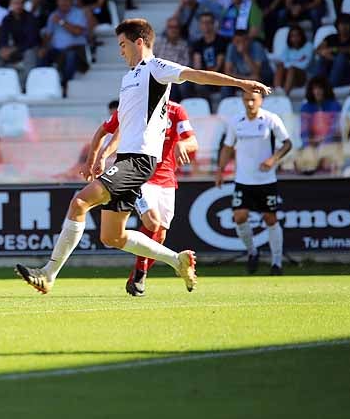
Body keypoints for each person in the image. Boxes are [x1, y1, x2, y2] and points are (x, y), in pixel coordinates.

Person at [15, 18, 271, 295]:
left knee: (80, 202)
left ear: (139, 42)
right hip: (125, 158)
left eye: (123, 45)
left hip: (139, 161)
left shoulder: (156, 68)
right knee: (112, 236)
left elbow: (196, 74)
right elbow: (123, 127)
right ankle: (177, 260)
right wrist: (101, 155)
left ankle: (48, 274)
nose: (120, 51)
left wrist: (240, 83)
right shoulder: (128, 79)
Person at [89, 99, 197, 296]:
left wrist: (183, 143)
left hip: (167, 180)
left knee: (160, 235)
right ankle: (156, 268)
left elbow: (192, 140)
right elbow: (116, 134)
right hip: (141, 175)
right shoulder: (138, 105)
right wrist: (103, 156)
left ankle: (139, 273)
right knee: (152, 222)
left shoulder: (176, 110)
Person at [214, 89, 292, 275]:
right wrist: (220, 171)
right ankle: (252, 252)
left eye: (253, 100)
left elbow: (287, 143)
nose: (249, 103)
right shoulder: (236, 121)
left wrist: (273, 159)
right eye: (246, 100)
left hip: (266, 180)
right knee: (239, 217)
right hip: (243, 180)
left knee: (270, 218)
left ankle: (276, 263)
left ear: (261, 101)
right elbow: (227, 147)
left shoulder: (271, 119)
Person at [40, 0, 87, 95]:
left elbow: (77, 32)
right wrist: (43, 47)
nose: (63, 3)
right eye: (60, 0)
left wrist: (61, 22)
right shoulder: (53, 15)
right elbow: (48, 35)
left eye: (66, 0)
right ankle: (41, 84)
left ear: (71, 1)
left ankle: (65, 84)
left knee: (70, 55)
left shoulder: (78, 13)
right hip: (57, 51)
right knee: (44, 55)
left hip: (75, 48)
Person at [296, 76, 343, 173]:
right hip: (312, 145)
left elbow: (336, 130)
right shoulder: (306, 108)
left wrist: (323, 141)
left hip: (331, 144)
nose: (317, 91)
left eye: (320, 88)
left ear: (326, 90)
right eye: (315, 88)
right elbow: (303, 132)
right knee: (306, 157)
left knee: (329, 156)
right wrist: (310, 142)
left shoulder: (335, 106)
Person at [0, 0, 40, 75]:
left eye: (21, 3)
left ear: (24, 5)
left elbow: (31, 41)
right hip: (16, 50)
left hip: (29, 48)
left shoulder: (30, 18)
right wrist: (4, 48)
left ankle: (27, 84)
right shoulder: (7, 19)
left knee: (29, 53)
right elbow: (3, 36)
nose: (18, 6)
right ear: (10, 5)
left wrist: (13, 49)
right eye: (15, 3)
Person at [274, 25, 314, 94]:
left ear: (302, 36)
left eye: (297, 35)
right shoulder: (287, 49)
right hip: (288, 76)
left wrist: (290, 64)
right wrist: (291, 65)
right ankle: (277, 91)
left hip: (302, 76)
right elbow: (282, 62)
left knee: (291, 69)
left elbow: (305, 64)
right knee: (280, 66)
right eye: (292, 36)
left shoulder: (308, 46)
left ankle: (284, 95)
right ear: (289, 38)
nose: (295, 38)